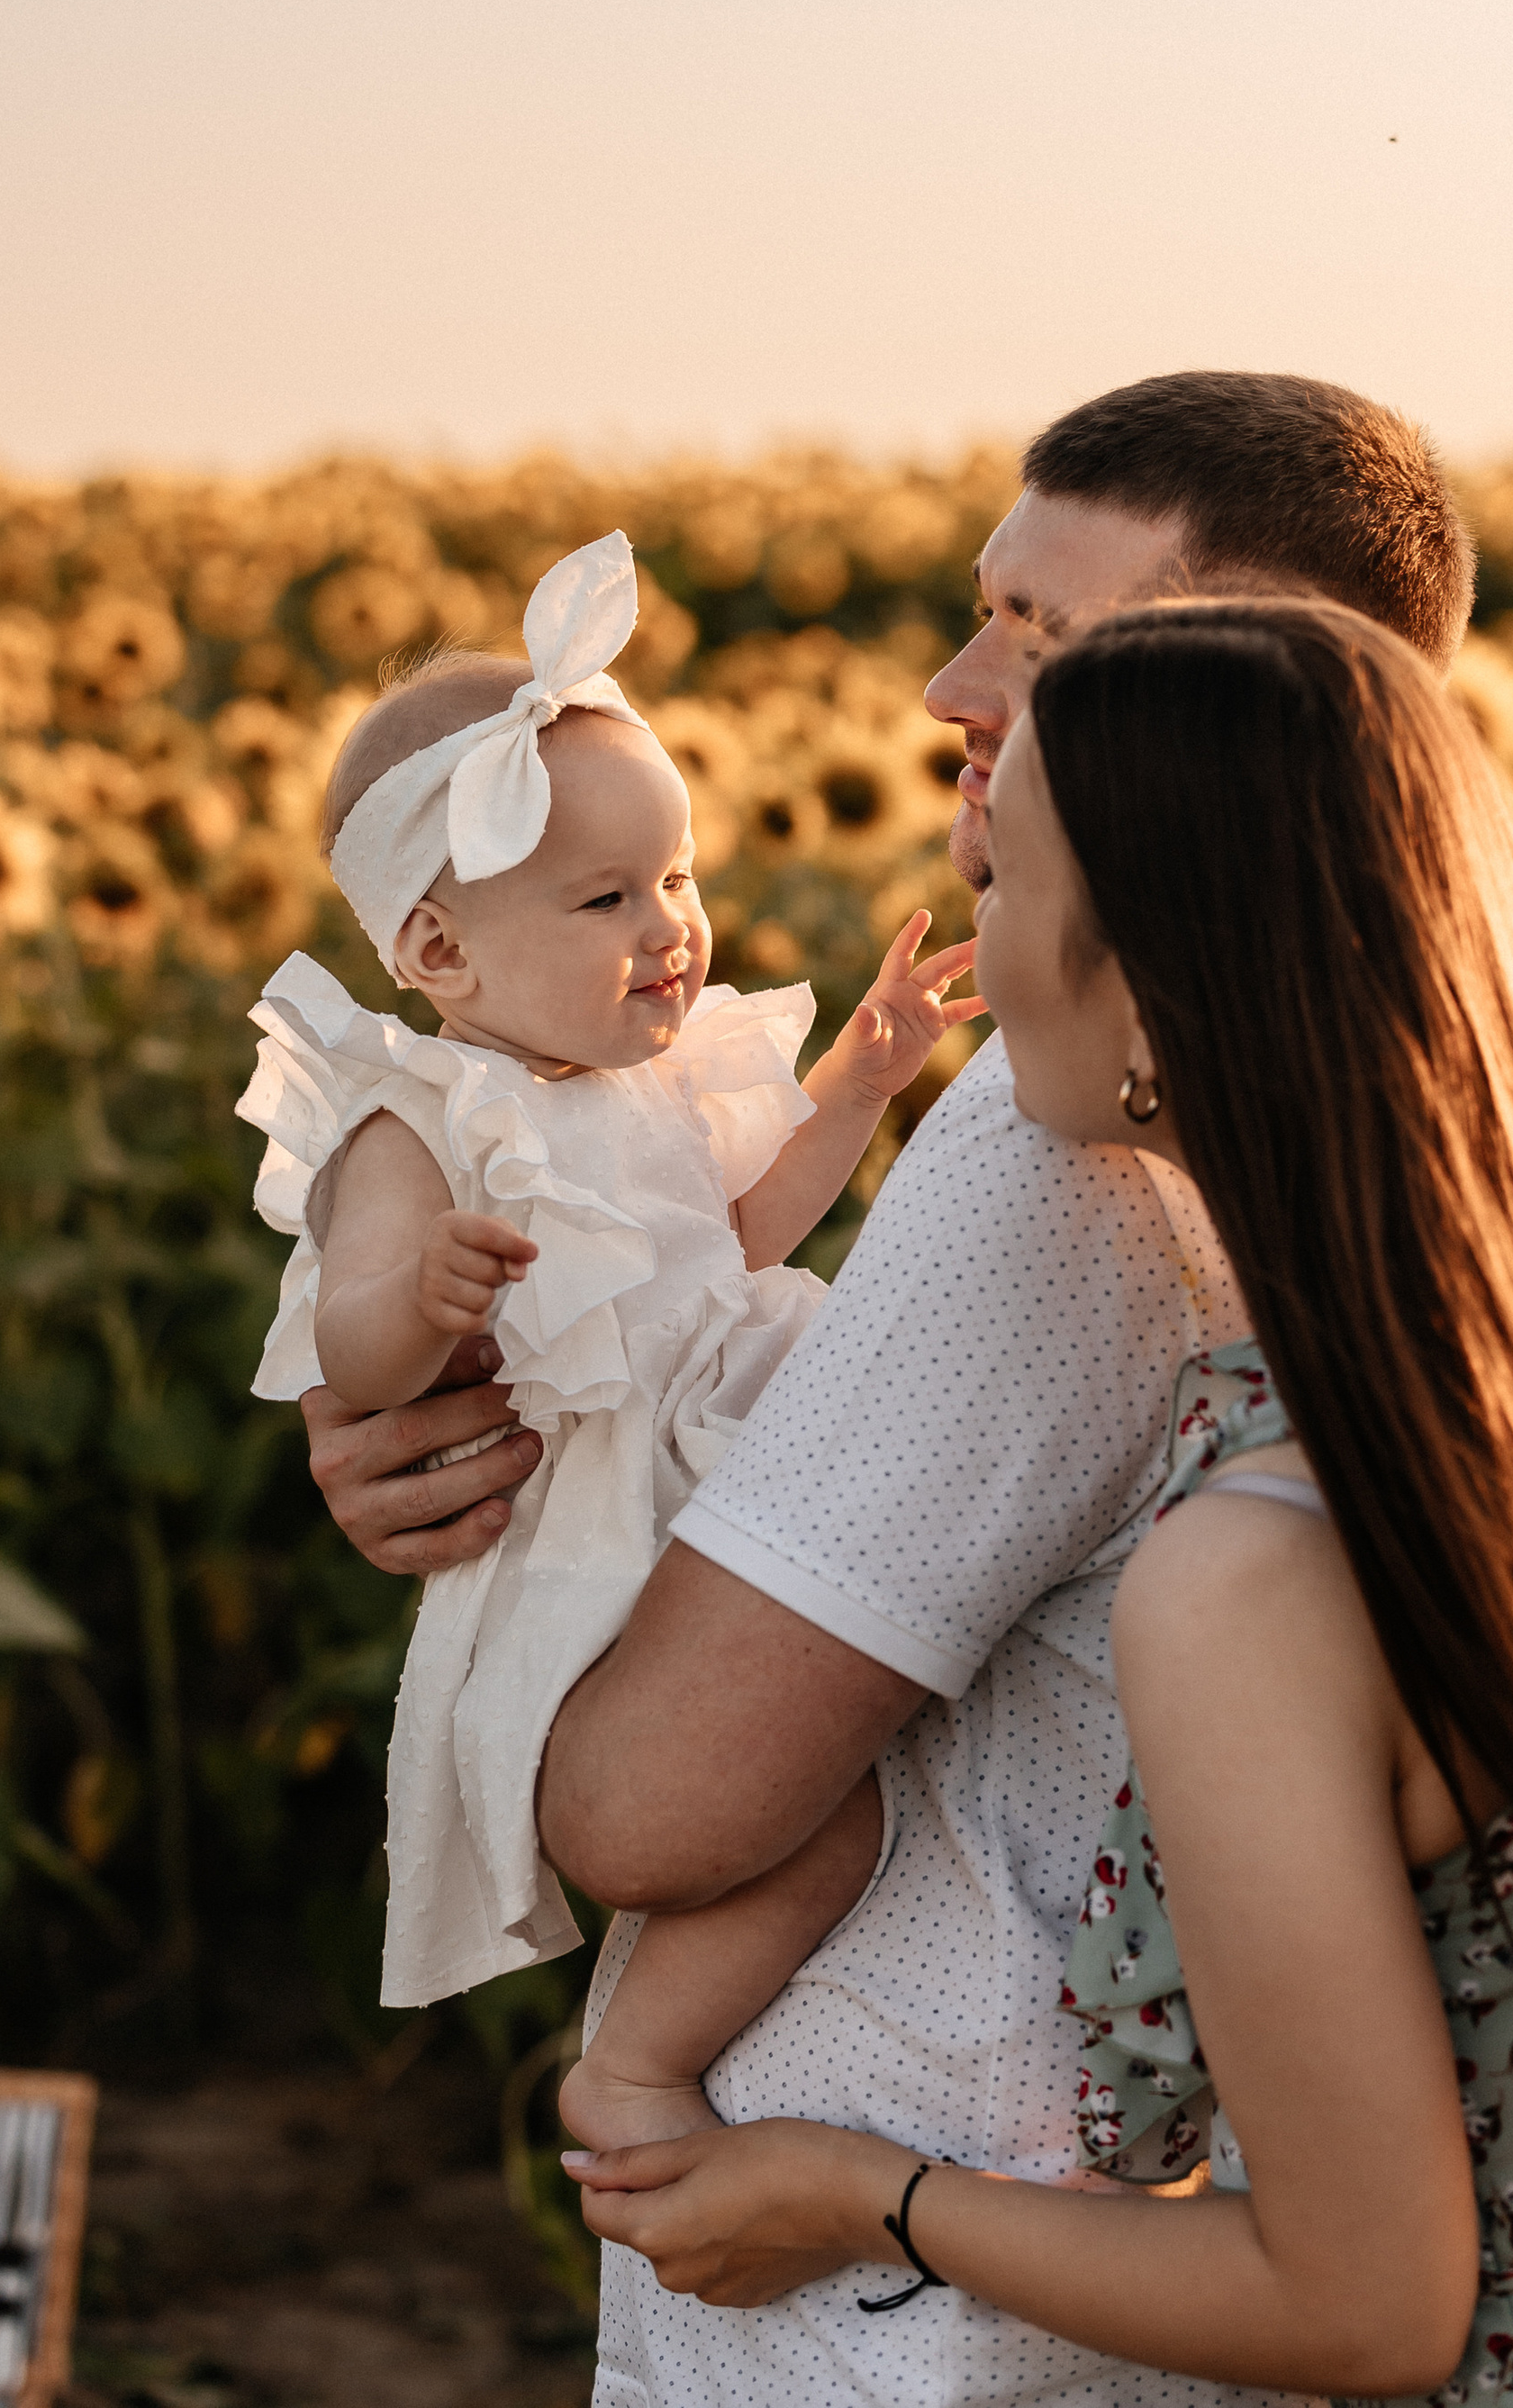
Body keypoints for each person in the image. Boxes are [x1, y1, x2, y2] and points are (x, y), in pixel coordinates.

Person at [567, 597, 1513, 2403]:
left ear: (1149, 994)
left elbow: (1356, 2302)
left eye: (1003, 884)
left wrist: (866, 2197)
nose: (976, 936)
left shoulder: (1257, 1571)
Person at [304, 371, 1481, 2408]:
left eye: (1038, 640)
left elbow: (642, 1804)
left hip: (924, 2317)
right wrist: (472, 1401)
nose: (948, 686)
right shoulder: (1461, 1134)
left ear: (1255, 693)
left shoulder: (1058, 1159)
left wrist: (539, 1554)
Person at [238, 527, 978, 2061]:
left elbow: (750, 1233)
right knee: (758, 1807)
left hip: (732, 1446)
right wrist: (425, 1292)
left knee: (856, 1786)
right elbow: (351, 1348)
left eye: (678, 878)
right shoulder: (420, 1121)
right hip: (608, 1521)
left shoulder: (656, 1088)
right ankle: (633, 2062)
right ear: (439, 949)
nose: (669, 930)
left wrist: (855, 1081)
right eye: (604, 902)